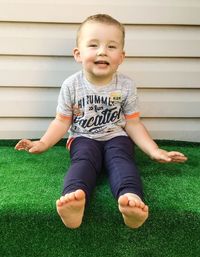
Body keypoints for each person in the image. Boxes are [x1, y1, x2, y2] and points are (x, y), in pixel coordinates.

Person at [15, 14, 187, 229]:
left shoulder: (126, 85)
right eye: (93, 45)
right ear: (78, 54)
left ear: (121, 57)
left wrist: (153, 150)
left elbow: (133, 123)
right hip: (83, 138)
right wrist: (43, 143)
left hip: (117, 137)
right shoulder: (71, 85)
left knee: (122, 160)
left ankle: (131, 199)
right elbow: (61, 121)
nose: (102, 51)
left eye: (111, 46)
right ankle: (73, 201)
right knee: (84, 161)